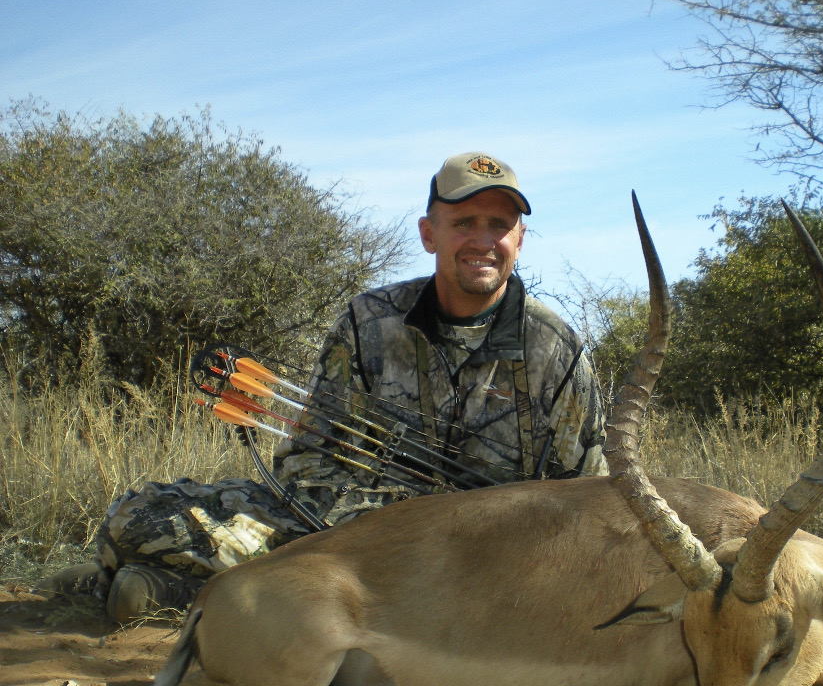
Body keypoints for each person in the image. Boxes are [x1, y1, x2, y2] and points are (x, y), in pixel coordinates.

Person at [42, 151, 608, 622]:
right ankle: (170, 586)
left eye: (499, 225)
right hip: (354, 538)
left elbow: (590, 501)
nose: (483, 241)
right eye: (464, 223)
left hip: (492, 562)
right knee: (137, 518)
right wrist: (391, 521)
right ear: (429, 234)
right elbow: (305, 464)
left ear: (521, 238)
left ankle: (169, 594)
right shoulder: (368, 321)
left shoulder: (557, 348)